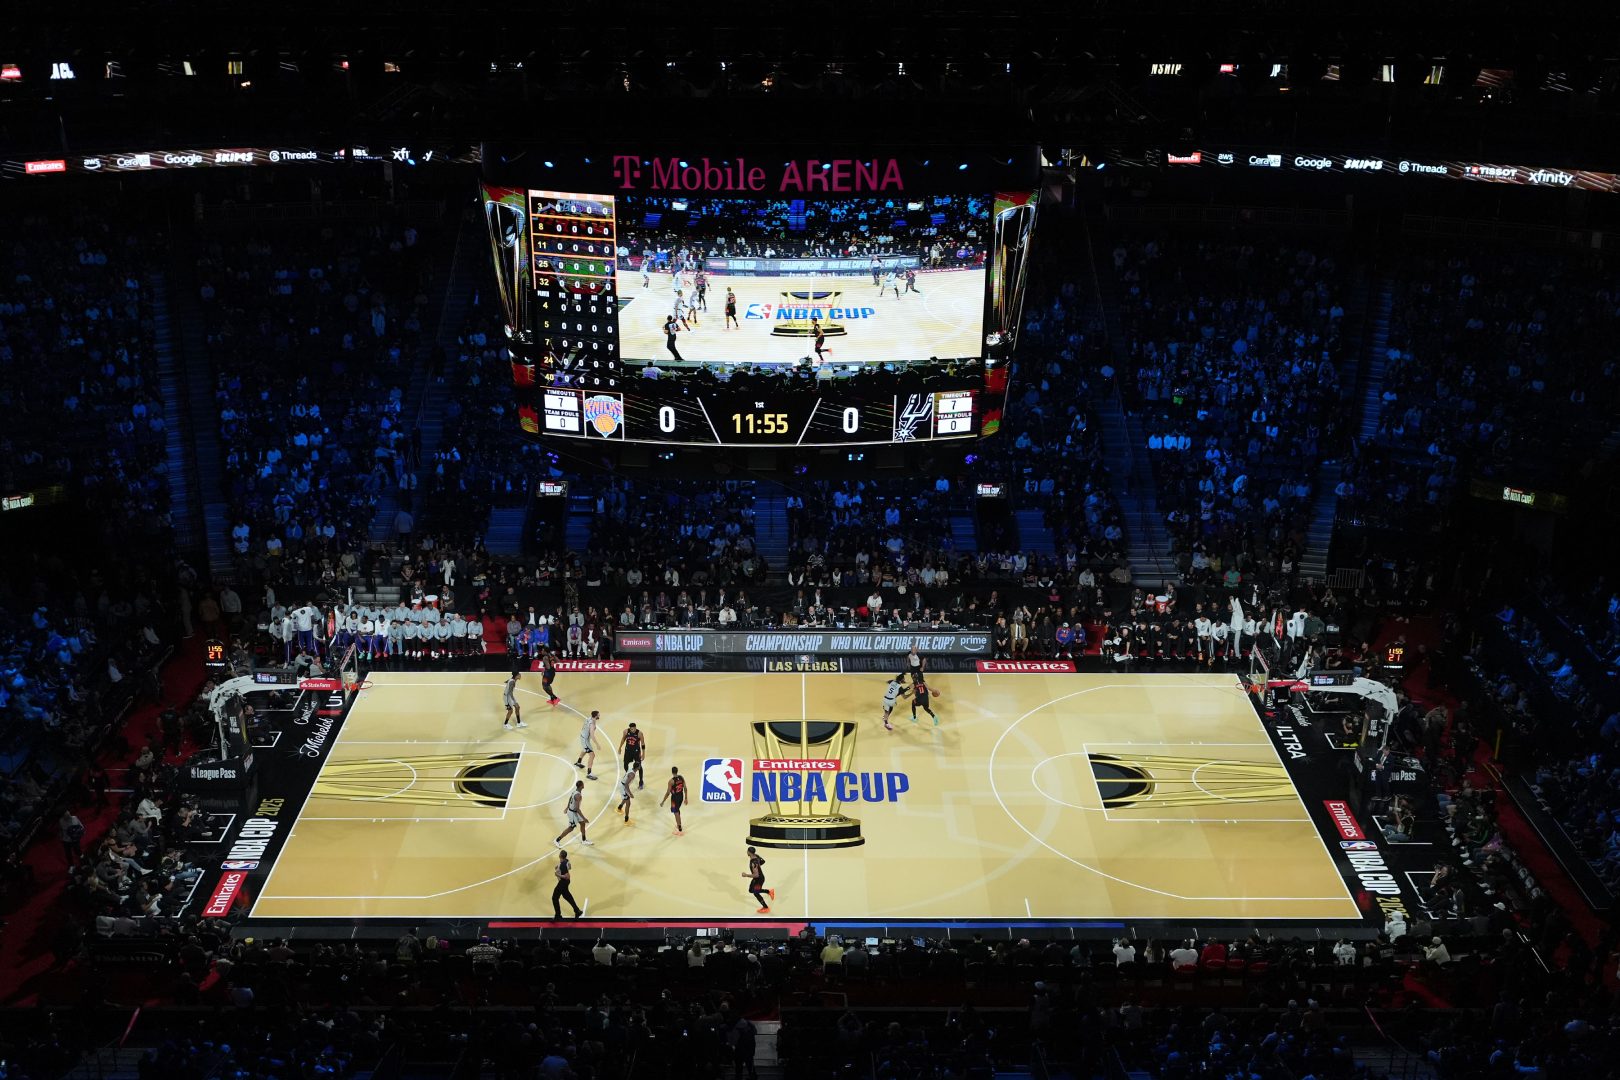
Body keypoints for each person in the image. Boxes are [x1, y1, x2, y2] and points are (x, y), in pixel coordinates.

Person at [554, 780, 594, 847]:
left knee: (582, 824)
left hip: (573, 811)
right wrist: (584, 818)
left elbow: (570, 799)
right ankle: (557, 840)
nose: (584, 785)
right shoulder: (578, 795)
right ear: (581, 786)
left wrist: (567, 807)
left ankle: (584, 840)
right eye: (583, 784)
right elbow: (577, 809)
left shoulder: (575, 791)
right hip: (573, 813)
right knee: (571, 828)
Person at [552, 850, 583, 918]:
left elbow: (567, 877)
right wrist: (558, 866)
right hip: (565, 882)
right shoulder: (565, 861)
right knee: (567, 896)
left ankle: (558, 915)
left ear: (560, 855)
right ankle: (577, 911)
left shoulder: (563, 864)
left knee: (554, 898)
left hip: (563, 882)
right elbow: (569, 867)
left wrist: (557, 874)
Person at [743, 846, 775, 913]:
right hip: (758, 878)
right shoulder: (756, 856)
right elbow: (763, 861)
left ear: (749, 852)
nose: (747, 852)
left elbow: (756, 875)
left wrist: (746, 875)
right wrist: (758, 866)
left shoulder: (753, 863)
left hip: (758, 880)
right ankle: (769, 891)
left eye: (747, 851)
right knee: (751, 890)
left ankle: (766, 907)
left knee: (756, 893)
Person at [660, 765, 687, 835]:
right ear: (677, 771)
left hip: (675, 798)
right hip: (681, 796)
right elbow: (685, 788)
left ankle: (679, 828)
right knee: (677, 810)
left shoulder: (671, 781)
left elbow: (668, 793)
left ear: (672, 772)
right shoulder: (681, 778)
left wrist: (663, 801)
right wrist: (686, 798)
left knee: (676, 812)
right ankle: (679, 824)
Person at [573, 710, 600, 779]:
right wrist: (597, 744)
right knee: (592, 755)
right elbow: (592, 735)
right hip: (585, 739)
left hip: (584, 737)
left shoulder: (590, 718)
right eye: (598, 715)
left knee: (585, 749)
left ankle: (578, 762)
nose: (599, 716)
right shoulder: (592, 724)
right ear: (596, 716)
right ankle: (589, 773)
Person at [620, 721, 646, 789]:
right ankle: (628, 776)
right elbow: (623, 739)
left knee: (639, 766)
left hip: (636, 752)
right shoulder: (625, 731)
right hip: (628, 751)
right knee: (625, 764)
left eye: (634, 728)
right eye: (631, 729)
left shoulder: (639, 733)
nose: (633, 730)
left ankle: (641, 781)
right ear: (630, 728)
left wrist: (643, 754)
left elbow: (643, 744)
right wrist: (620, 747)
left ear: (635, 728)